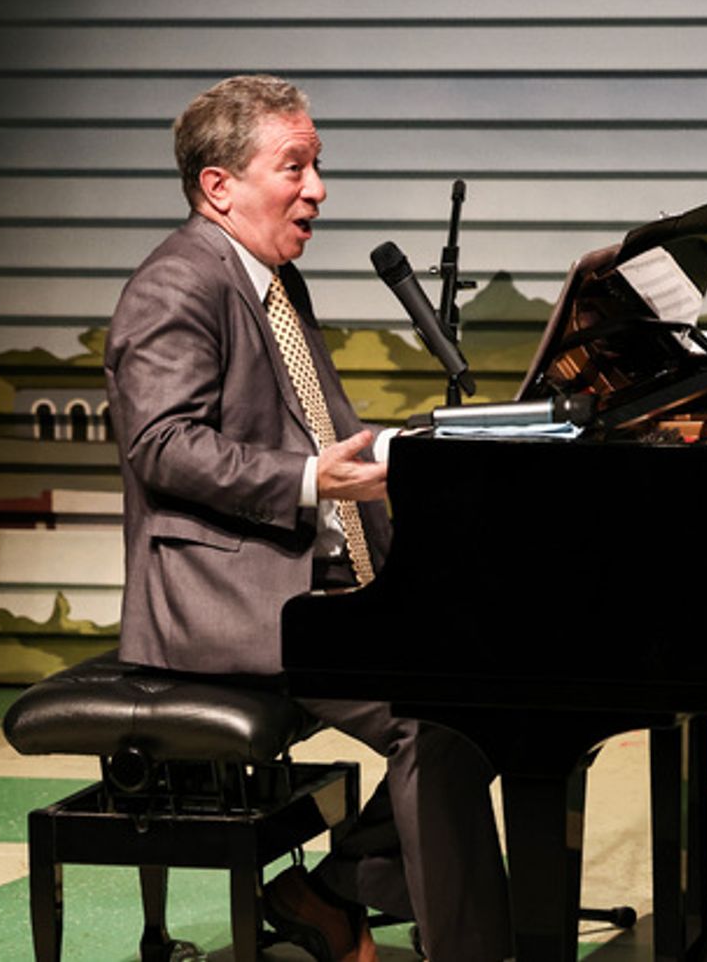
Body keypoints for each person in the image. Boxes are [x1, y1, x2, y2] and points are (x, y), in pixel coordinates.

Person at [103, 74, 511, 962]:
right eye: (296, 166)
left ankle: (329, 893)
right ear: (219, 186)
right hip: (231, 600)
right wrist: (307, 480)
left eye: (317, 164)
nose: (318, 188)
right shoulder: (175, 286)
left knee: (496, 688)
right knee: (434, 722)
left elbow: (316, 437)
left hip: (309, 583)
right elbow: (163, 447)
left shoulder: (271, 283)